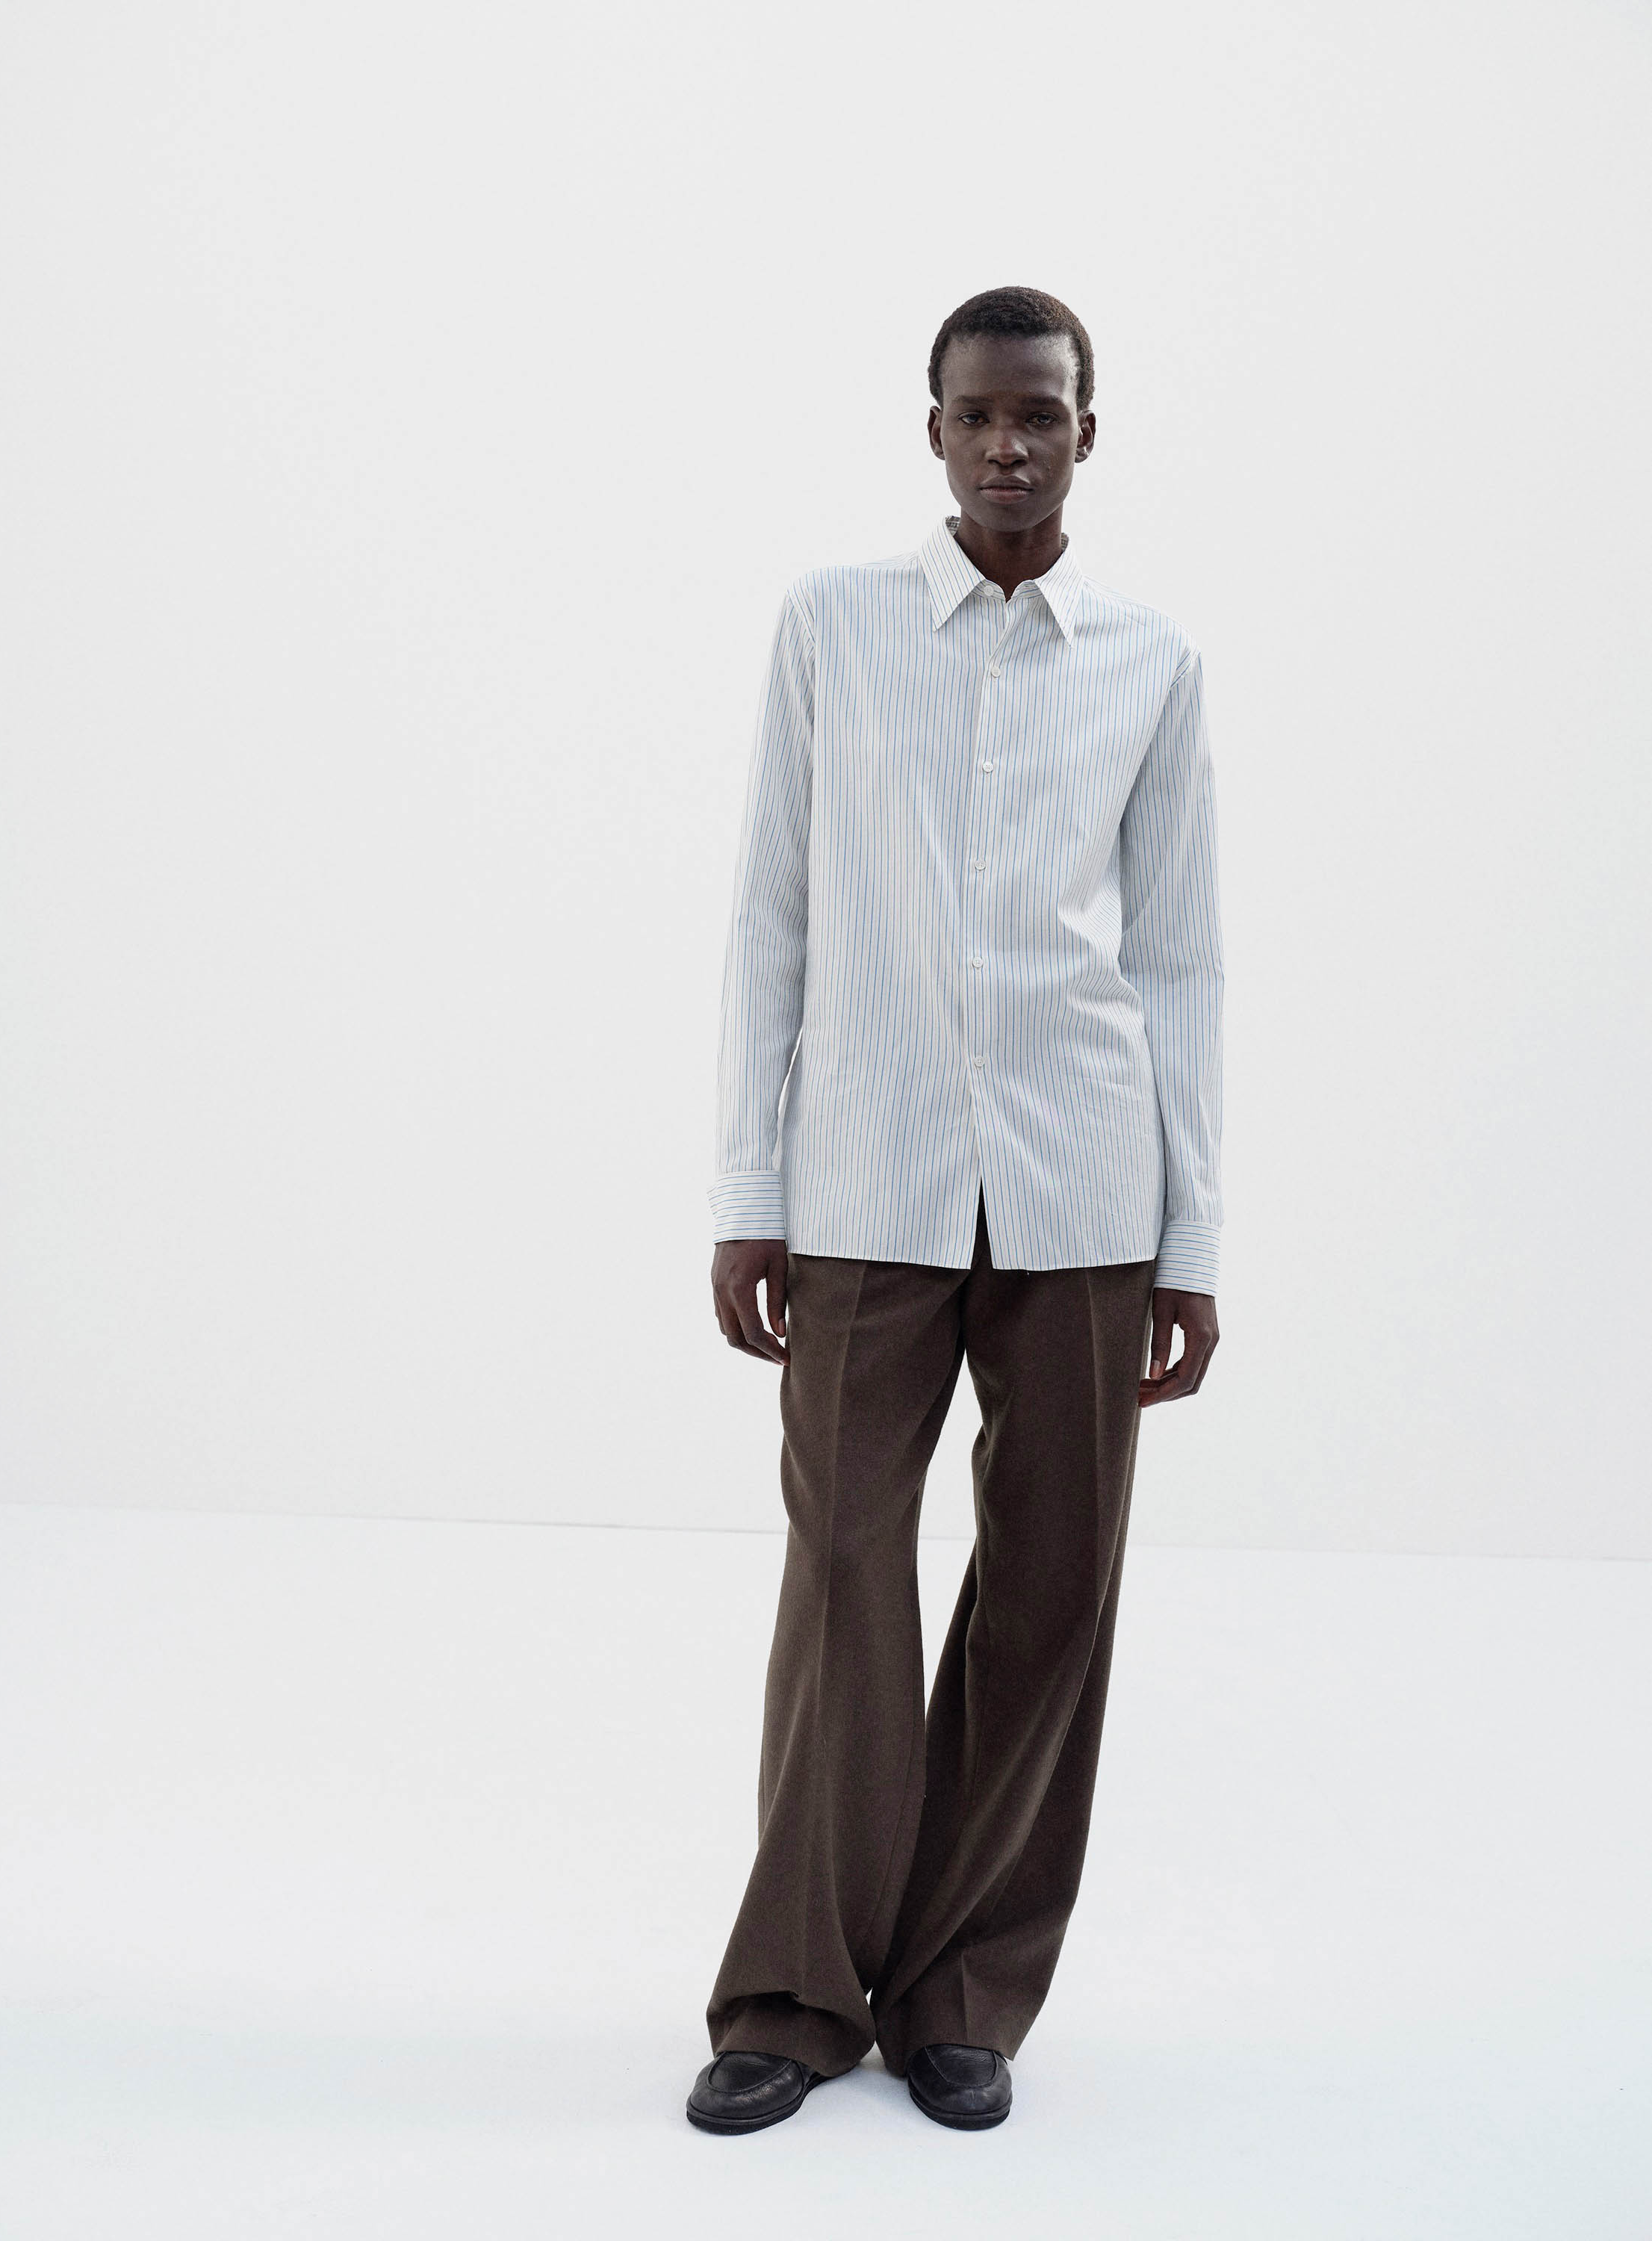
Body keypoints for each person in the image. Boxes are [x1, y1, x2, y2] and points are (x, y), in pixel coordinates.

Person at [685, 285, 1223, 2136]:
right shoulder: (830, 627)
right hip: (864, 1181)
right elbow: (772, 912)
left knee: (1054, 1591)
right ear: (933, 430)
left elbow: (1180, 961)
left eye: (1041, 414)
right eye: (980, 413)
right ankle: (791, 1994)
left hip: (1084, 1187)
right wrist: (749, 1187)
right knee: (845, 1572)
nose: (1009, 442)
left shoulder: (1150, 659)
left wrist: (1194, 1240)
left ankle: (964, 1990)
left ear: (1087, 434)